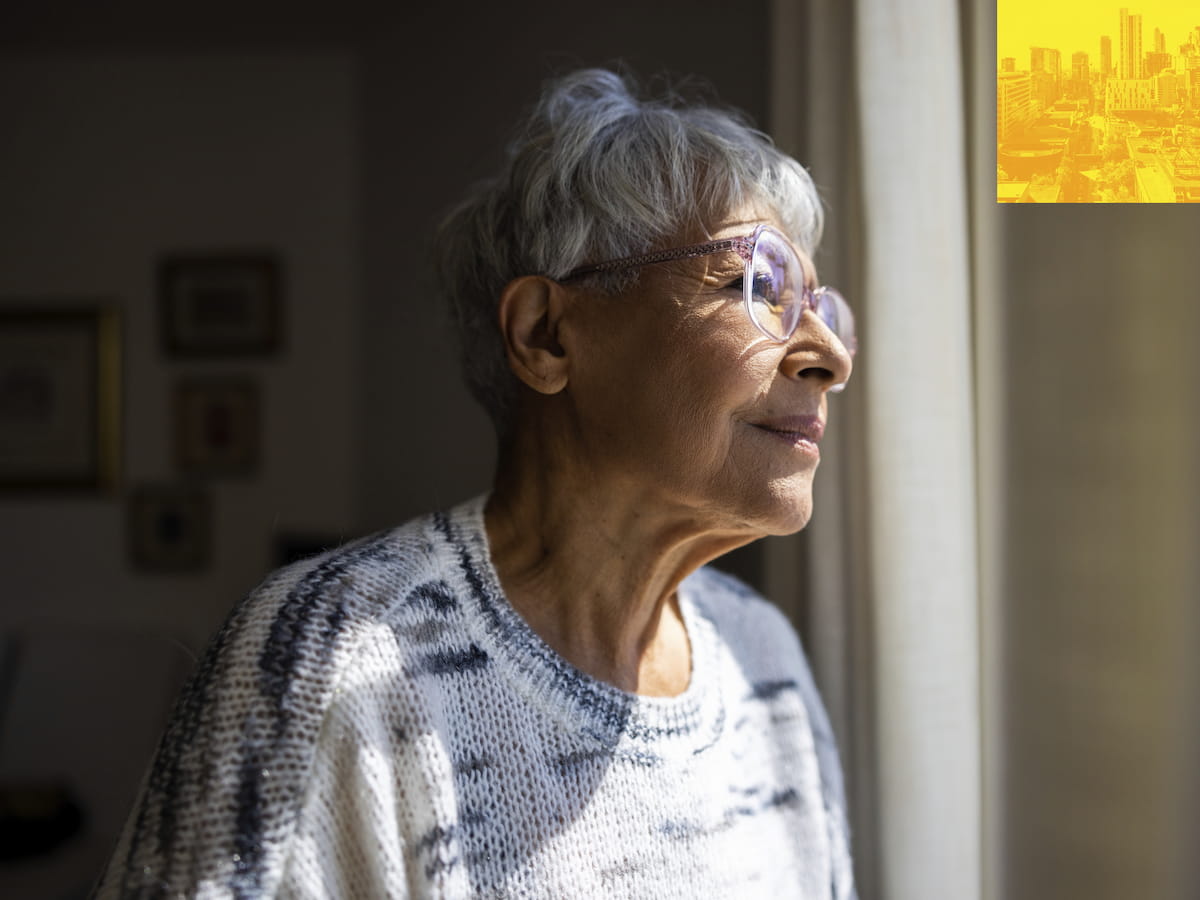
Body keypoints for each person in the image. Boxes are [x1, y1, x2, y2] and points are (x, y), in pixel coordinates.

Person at [95, 67, 857, 898]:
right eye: (761, 287)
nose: (831, 356)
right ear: (546, 336)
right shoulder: (331, 656)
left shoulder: (762, 659)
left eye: (822, 305)